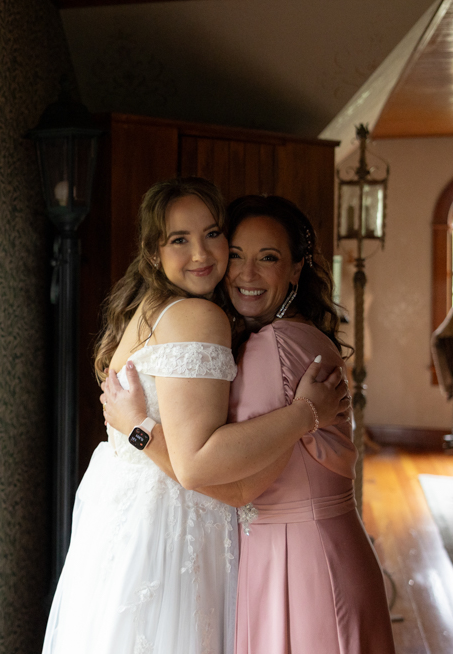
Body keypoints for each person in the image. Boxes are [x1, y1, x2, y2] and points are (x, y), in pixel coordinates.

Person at [42, 179, 348, 654]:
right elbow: (202, 471)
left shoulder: (150, 307)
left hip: (123, 528)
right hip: (171, 530)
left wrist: (138, 429)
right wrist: (305, 414)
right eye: (179, 239)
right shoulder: (197, 317)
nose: (201, 254)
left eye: (212, 234)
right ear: (153, 253)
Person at [102, 194, 395, 654]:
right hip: (312, 553)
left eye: (268, 258)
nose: (246, 274)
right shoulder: (287, 334)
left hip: (300, 562)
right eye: (236, 255)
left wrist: (139, 430)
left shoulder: (273, 344)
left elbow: (232, 485)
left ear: (296, 270)